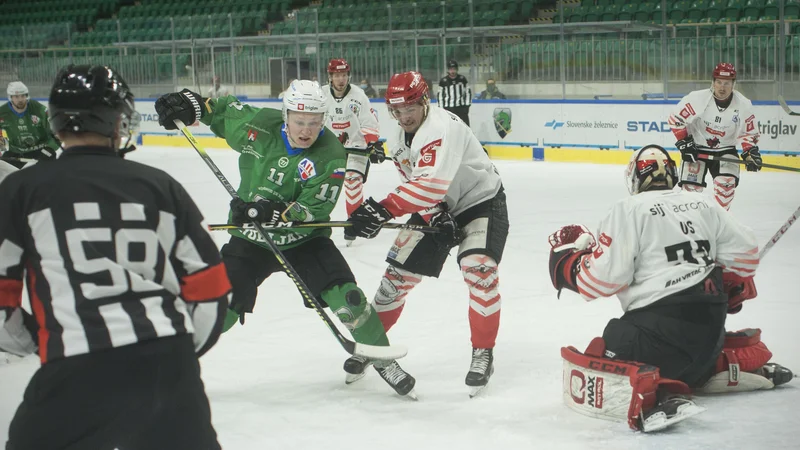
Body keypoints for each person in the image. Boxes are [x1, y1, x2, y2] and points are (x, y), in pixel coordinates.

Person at [0, 65, 230, 450]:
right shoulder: (159, 185)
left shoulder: (21, 189)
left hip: (74, 364)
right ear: (118, 122)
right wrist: (176, 352)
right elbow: (210, 286)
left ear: (55, 123)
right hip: (167, 363)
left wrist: (43, 341)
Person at [154, 80, 416, 397]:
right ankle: (169, 363)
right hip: (251, 238)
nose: (306, 130)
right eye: (299, 122)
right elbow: (219, 112)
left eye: (315, 123)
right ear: (286, 115)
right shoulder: (258, 125)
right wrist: (190, 104)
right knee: (220, 305)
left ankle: (381, 358)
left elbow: (314, 208)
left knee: (348, 298)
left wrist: (274, 210)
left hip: (303, 239)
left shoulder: (330, 153)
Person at [548, 145, 793, 432]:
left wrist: (568, 262)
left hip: (658, 342)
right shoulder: (704, 203)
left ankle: (654, 389)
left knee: (613, 338)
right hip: (709, 338)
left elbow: (600, 281)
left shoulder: (629, 209)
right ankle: (720, 367)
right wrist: (727, 281)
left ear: (634, 179)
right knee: (680, 342)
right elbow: (748, 256)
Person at [343, 71, 509, 397]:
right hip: (438, 206)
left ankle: (483, 352)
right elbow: (423, 188)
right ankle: (372, 345)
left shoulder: (440, 127)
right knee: (395, 279)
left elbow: (429, 185)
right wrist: (436, 215)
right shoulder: (399, 140)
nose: (404, 117)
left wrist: (383, 208)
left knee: (479, 270)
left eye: (410, 109)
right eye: (397, 111)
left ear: (424, 101)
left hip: (481, 202)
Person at [668, 63, 761, 211]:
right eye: (718, 82)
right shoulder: (697, 99)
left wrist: (750, 152)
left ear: (733, 84)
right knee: (689, 194)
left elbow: (748, 133)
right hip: (697, 150)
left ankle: (718, 226)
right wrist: (685, 142)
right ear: (713, 82)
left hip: (726, 150)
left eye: (726, 83)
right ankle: (691, 228)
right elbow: (675, 119)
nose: (722, 87)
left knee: (726, 189)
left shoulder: (744, 105)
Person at [322, 58, 386, 245]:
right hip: (331, 150)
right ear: (330, 77)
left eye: (343, 75)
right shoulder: (322, 95)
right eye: (337, 75)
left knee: (352, 181)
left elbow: (369, 122)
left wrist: (373, 144)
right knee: (320, 184)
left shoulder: (359, 96)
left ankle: (354, 224)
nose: (341, 79)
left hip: (356, 147)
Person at [0, 81, 60, 168]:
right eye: (16, 97)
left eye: (23, 96)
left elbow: (57, 132)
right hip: (15, 152)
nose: (20, 99)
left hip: (40, 150)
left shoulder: (40, 110)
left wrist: (50, 149)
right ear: (10, 97)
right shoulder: (2, 113)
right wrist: (2, 148)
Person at [437, 59, 472, 126]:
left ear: (457, 69)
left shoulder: (462, 79)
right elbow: (440, 96)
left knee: (465, 128)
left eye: (454, 69)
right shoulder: (443, 81)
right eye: (450, 69)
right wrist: (441, 109)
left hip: (461, 108)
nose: (452, 71)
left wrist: (467, 105)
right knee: (450, 128)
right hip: (448, 109)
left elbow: (468, 92)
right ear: (448, 70)